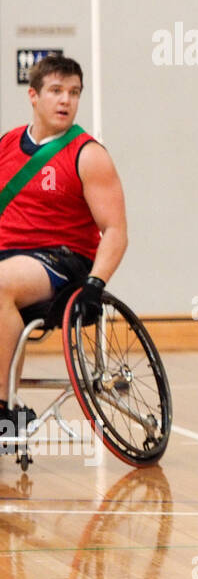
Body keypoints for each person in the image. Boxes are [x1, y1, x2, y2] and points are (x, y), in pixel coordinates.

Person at [0, 57, 127, 435]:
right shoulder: (7, 145)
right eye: (56, 91)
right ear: (33, 96)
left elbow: (116, 230)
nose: (65, 101)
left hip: (61, 260)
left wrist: (96, 284)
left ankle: (4, 410)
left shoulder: (88, 155)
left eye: (73, 93)